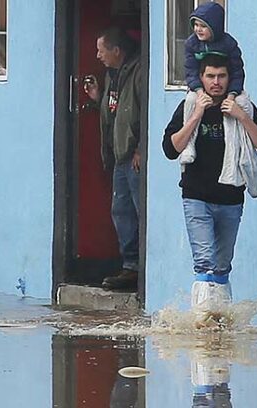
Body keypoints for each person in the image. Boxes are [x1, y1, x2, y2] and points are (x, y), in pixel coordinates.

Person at [162, 54, 257, 312]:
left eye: (221, 76)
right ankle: (202, 323)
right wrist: (197, 114)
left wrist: (242, 117)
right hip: (196, 197)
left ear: (229, 78)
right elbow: (170, 149)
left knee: (222, 266)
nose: (216, 82)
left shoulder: (243, 105)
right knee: (205, 263)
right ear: (201, 78)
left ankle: (221, 321)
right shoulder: (190, 105)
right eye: (210, 76)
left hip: (231, 199)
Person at [83, 27, 144, 292]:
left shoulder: (139, 72)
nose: (97, 55)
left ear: (116, 50)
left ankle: (141, 268)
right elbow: (116, 111)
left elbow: (144, 111)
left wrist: (141, 147)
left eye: (101, 50)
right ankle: (130, 266)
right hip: (119, 155)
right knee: (121, 211)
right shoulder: (112, 76)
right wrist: (99, 99)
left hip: (133, 155)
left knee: (138, 209)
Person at [180, 1, 245, 165]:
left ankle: (244, 158)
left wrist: (232, 95)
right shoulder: (192, 43)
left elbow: (237, 72)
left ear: (215, 26)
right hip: (198, 89)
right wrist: (200, 92)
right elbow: (191, 71)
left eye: (203, 26)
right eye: (195, 24)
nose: (198, 29)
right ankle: (188, 146)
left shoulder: (229, 44)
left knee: (243, 103)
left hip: (230, 91)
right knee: (191, 101)